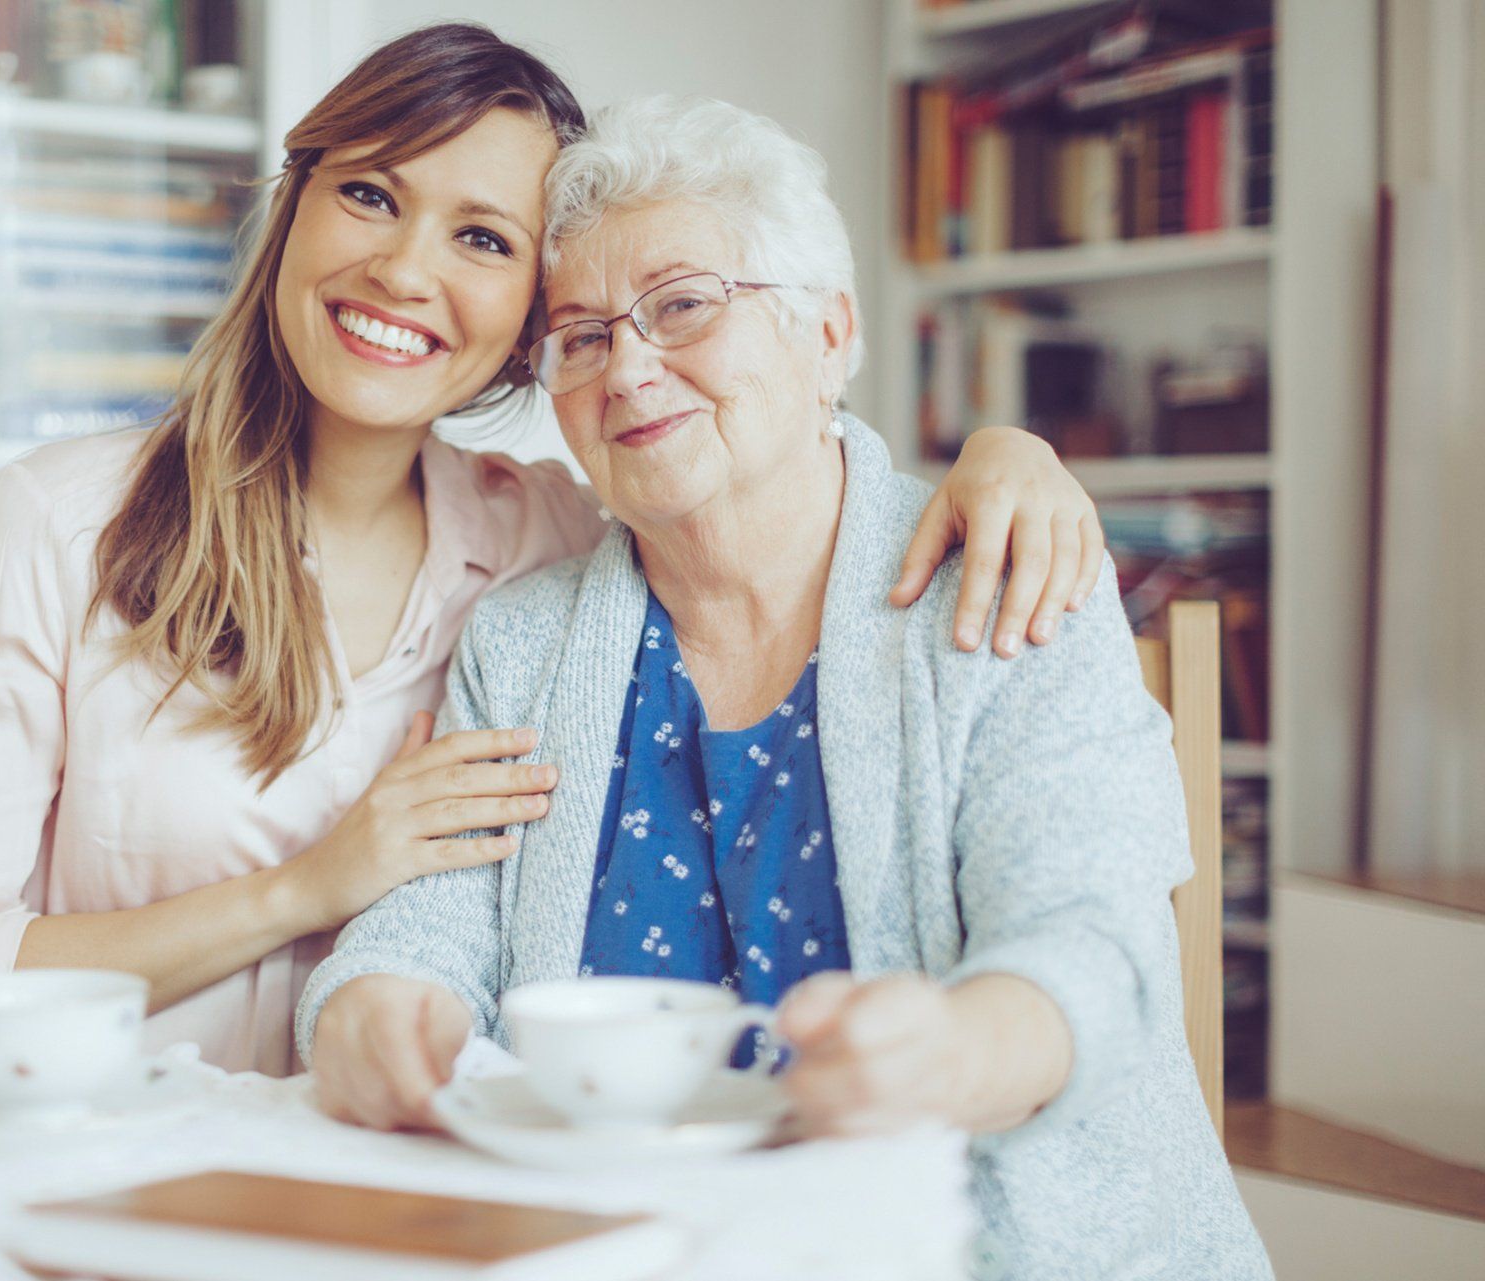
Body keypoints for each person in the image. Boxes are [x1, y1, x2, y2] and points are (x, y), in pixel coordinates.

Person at [0, 25, 1104, 1078]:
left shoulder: (557, 549)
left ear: (527, 327)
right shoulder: (61, 523)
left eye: (485, 239)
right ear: (293, 206)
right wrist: (310, 887)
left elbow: (756, 472)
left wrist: (1007, 453)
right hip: (109, 1160)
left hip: (407, 1195)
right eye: (370, 194)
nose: (403, 270)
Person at [298, 96, 1270, 1278]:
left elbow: (1094, 949)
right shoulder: (525, 640)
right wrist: (368, 1008)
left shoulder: (1005, 574)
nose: (630, 368)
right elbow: (427, 926)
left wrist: (954, 1052)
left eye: (686, 305)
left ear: (827, 334)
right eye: (585, 335)